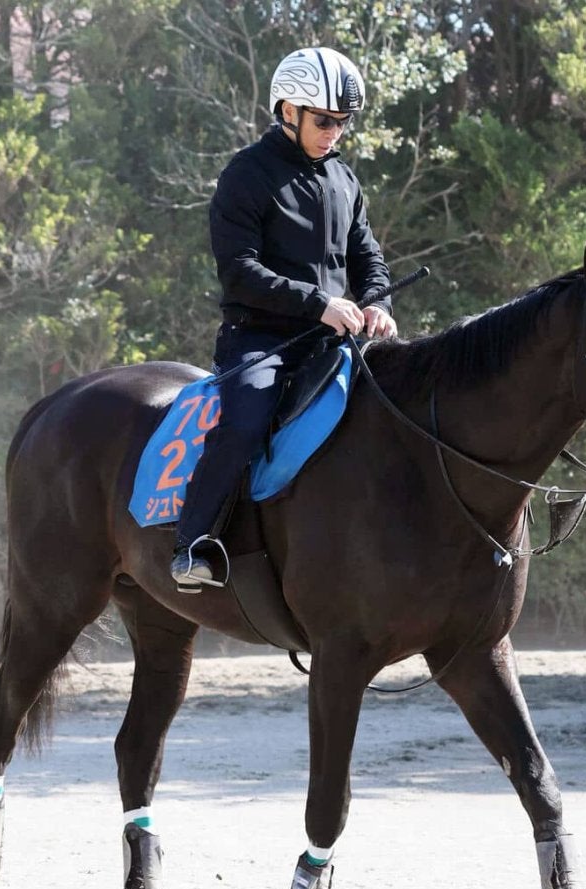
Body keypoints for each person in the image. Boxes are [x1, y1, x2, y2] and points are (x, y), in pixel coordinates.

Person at [170, 46, 398, 591]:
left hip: (333, 339)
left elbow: (368, 257)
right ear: (289, 111)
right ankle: (192, 543)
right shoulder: (246, 174)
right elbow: (239, 271)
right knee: (246, 421)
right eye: (324, 121)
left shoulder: (345, 180)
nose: (334, 133)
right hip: (261, 341)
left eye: (342, 122)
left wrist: (378, 303)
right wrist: (319, 304)